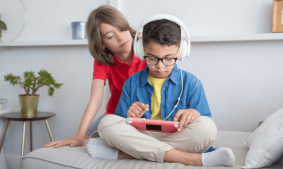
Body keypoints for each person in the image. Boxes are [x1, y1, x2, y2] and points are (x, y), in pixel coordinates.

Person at [86, 15, 235, 167]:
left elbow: (204, 121)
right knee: (106, 123)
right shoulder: (131, 82)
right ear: (141, 51)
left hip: (177, 136)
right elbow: (120, 121)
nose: (160, 66)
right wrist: (129, 116)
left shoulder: (192, 83)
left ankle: (128, 154)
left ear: (180, 53)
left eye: (168, 58)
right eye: (152, 58)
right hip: (143, 135)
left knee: (207, 128)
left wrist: (194, 114)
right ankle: (188, 158)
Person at [43, 5, 146, 148]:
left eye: (122, 29)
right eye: (110, 36)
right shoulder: (102, 61)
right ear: (102, 44)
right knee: (87, 141)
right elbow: (96, 99)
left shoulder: (148, 48)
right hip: (115, 116)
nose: (121, 37)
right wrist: (79, 136)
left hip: (146, 114)